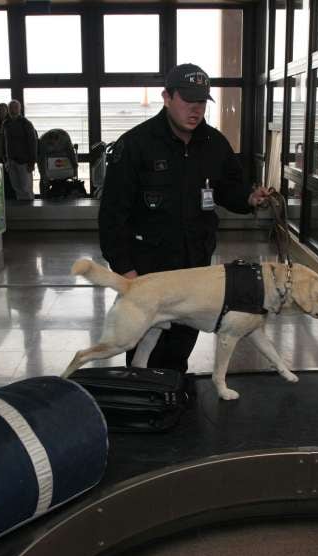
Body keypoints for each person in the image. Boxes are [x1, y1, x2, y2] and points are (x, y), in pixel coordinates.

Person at [98, 63, 271, 374]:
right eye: (188, 100)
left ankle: (174, 388)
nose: (196, 109)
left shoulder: (215, 144)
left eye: (202, 102)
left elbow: (230, 189)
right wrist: (125, 269)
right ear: (167, 97)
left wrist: (249, 198)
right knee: (141, 344)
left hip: (194, 264)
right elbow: (112, 215)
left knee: (180, 342)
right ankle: (142, 393)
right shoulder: (136, 145)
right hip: (149, 267)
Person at [2, 100, 37, 200]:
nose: (13, 110)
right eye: (11, 108)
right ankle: (23, 212)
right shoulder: (6, 123)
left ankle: (30, 211)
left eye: (15, 107)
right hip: (10, 161)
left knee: (26, 188)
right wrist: (5, 159)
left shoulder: (26, 123)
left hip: (24, 162)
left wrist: (32, 162)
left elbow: (33, 143)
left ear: (20, 109)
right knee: (16, 187)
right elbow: (3, 142)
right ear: (8, 110)